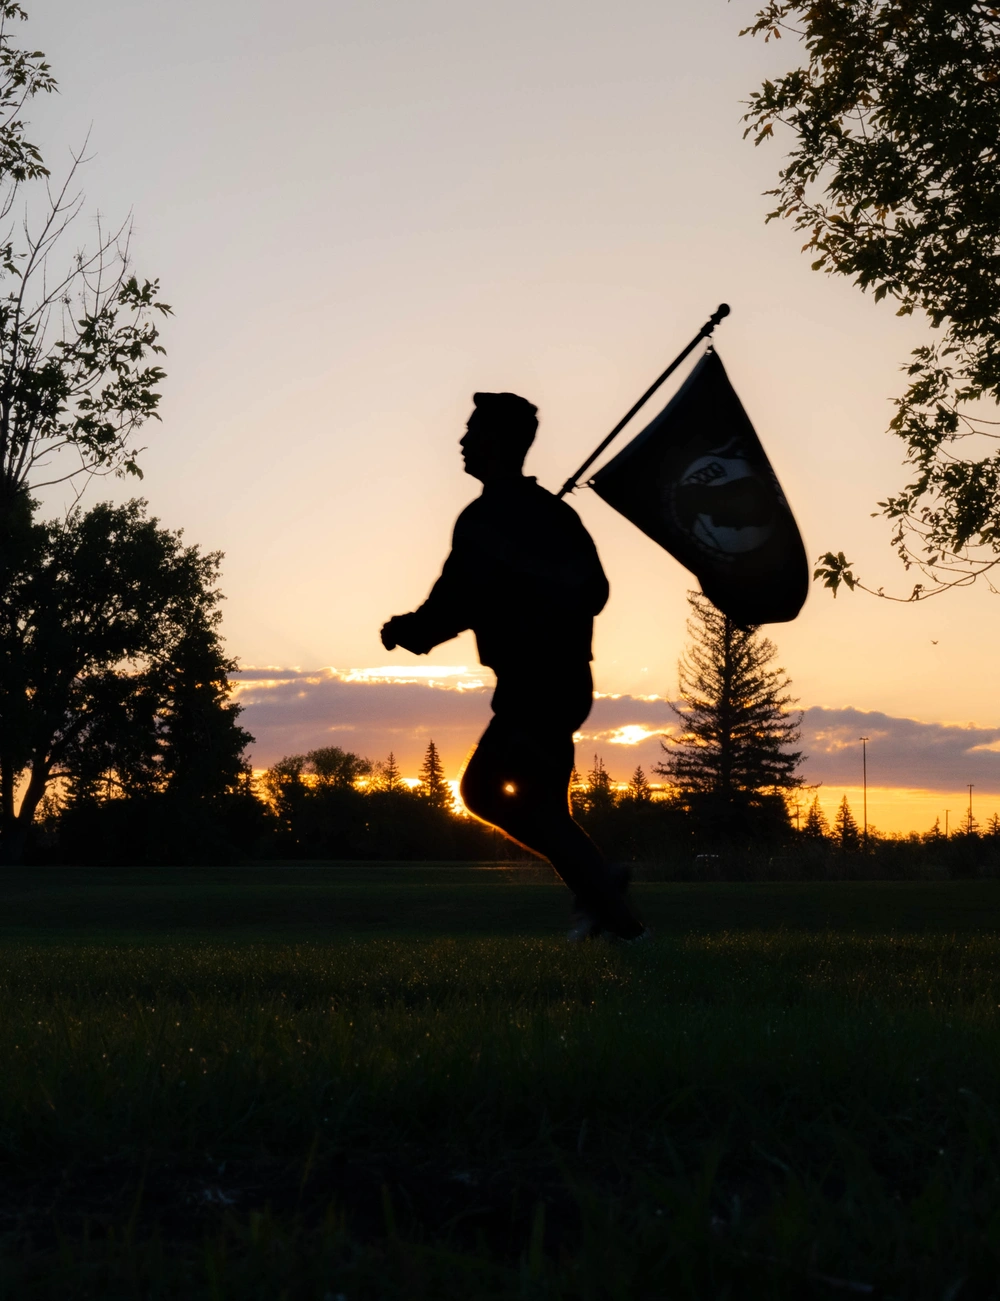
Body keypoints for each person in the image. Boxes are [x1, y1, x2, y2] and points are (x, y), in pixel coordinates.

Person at [380, 391, 646, 941]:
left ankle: (600, 884)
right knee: (547, 809)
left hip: (540, 686)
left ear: (497, 442)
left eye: (472, 430)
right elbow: (587, 590)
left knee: (480, 792)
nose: (462, 439)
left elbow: (453, 604)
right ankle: (617, 918)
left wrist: (407, 631)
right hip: (560, 684)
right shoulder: (550, 514)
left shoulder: (490, 520)